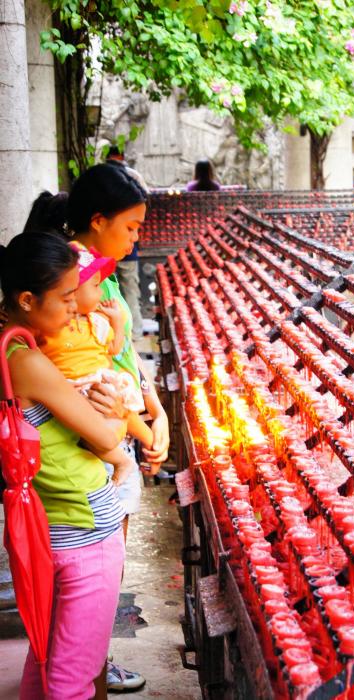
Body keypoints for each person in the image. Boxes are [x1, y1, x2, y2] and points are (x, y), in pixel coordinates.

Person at [0, 232, 127, 699]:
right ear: (28, 299)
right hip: (86, 533)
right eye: (67, 297)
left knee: (45, 666)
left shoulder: (5, 349)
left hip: (43, 532)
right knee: (71, 684)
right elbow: (105, 435)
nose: (77, 308)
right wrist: (114, 414)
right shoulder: (28, 362)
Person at [66, 164, 169, 692]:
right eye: (130, 227)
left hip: (122, 420)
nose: (137, 237)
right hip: (93, 438)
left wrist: (157, 409)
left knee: (111, 566)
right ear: (98, 219)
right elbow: (86, 373)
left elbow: (123, 356)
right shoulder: (72, 284)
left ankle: (95, 660)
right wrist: (146, 433)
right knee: (95, 572)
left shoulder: (100, 277)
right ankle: (88, 669)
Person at [39, 243, 156, 486]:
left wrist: (116, 322)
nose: (100, 294)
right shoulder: (49, 329)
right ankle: (122, 459)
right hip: (74, 389)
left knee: (115, 420)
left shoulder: (97, 323)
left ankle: (144, 444)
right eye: (94, 287)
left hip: (100, 383)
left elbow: (115, 349)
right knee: (97, 436)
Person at [106, 146, 146, 341]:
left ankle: (118, 332)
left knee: (108, 291)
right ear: (122, 157)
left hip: (106, 247)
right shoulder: (133, 176)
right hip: (125, 250)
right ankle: (134, 332)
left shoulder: (101, 177)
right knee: (130, 288)